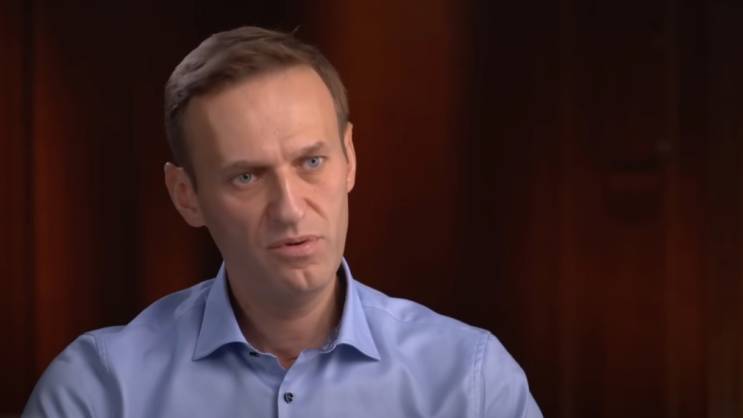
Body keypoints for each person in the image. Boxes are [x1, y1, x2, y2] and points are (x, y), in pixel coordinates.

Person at [23, 26, 542, 418]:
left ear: (350, 159)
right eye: (246, 176)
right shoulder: (98, 391)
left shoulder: (472, 383)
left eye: (311, 162)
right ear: (186, 196)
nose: (290, 208)